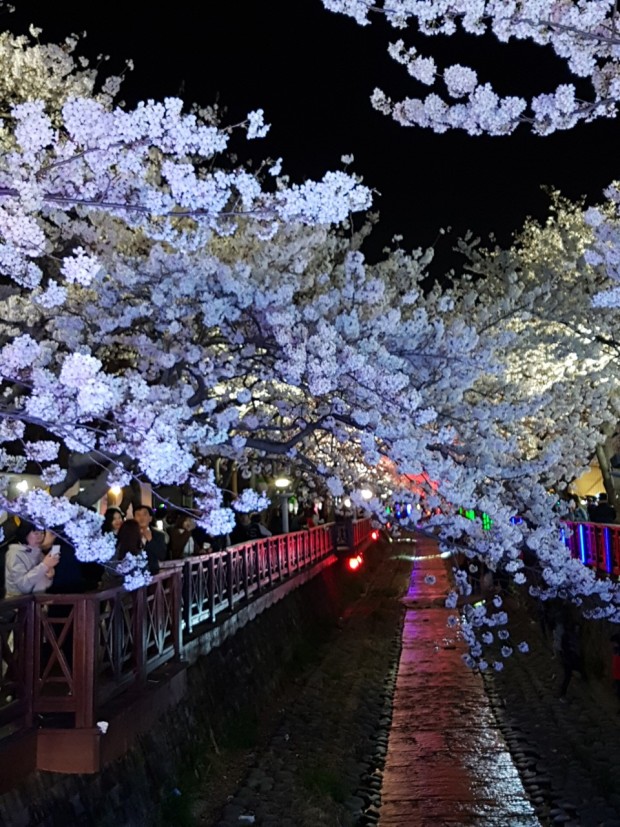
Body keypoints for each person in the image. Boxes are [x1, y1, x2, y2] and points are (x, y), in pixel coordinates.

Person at [4, 521, 59, 597]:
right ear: (25, 533)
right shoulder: (15, 553)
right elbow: (24, 586)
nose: (39, 537)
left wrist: (49, 576)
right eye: (36, 533)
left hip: (37, 603)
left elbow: (43, 586)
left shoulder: (39, 553)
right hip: (17, 604)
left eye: (42, 533)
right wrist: (44, 565)